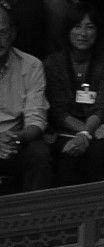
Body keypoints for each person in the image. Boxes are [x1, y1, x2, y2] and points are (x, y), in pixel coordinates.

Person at [44, 5, 104, 183]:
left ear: (98, 31)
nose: (83, 33)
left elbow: (102, 108)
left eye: (89, 27)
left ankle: (103, 209)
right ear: (67, 29)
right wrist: (88, 132)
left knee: (97, 151)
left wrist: (84, 135)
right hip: (67, 130)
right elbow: (59, 113)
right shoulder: (53, 64)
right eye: (77, 26)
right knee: (69, 152)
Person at [0, 4, 49, 190]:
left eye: (2, 33)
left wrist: (17, 137)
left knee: (39, 152)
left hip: (15, 141)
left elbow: (36, 121)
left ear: (13, 33)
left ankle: (37, 217)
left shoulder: (31, 65)